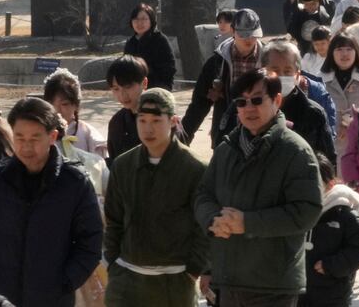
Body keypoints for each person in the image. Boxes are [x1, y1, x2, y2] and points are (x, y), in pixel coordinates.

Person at [194, 67, 323, 306]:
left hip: (274, 282)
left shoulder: (295, 150)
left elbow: (307, 210)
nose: (249, 108)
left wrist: (248, 223)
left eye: (256, 100)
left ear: (277, 100)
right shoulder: (226, 150)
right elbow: (203, 195)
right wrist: (212, 220)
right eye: (241, 102)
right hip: (230, 278)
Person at [0, 97, 102, 307]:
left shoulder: (74, 184)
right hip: (2, 298)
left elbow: (90, 243)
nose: (26, 147)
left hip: (53, 298)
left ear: (52, 136)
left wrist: (65, 282)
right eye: (20, 138)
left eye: (34, 139)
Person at [102, 88, 208, 307]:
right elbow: (113, 219)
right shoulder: (123, 166)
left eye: (156, 120)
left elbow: (204, 226)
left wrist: (193, 270)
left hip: (175, 282)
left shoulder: (195, 169)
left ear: (173, 121)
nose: (148, 129)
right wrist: (113, 264)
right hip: (126, 279)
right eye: (142, 120)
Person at [181, 8, 267, 146]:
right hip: (225, 134)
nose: (249, 39)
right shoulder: (217, 62)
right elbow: (199, 104)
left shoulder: (269, 60)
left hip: (262, 134)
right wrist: (182, 138)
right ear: (232, 31)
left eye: (253, 35)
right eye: (243, 35)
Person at [303, 151, 359, 307]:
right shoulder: (297, 211)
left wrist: (332, 266)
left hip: (333, 293)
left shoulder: (344, 214)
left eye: (315, 183)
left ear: (330, 183)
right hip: (299, 291)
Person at [260, 40, 336, 163]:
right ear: (262, 71)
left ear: (297, 75)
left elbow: (328, 160)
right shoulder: (247, 107)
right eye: (275, 70)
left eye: (287, 71)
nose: (281, 76)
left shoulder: (314, 114)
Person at [322, 34, 359, 190]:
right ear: (331, 53)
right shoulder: (321, 80)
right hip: (331, 143)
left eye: (349, 49)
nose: (344, 54)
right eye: (339, 49)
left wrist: (350, 121)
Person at [42, 70, 106, 159]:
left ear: (76, 105)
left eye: (64, 104)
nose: (56, 110)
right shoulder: (40, 133)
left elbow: (99, 168)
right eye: (51, 104)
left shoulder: (88, 134)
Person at [104, 54, 149, 164]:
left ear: (144, 83)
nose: (122, 95)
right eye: (116, 89)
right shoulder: (116, 123)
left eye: (128, 86)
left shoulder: (162, 117)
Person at [122, 3, 176, 92]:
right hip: (134, 90)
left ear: (151, 20)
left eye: (144, 19)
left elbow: (169, 67)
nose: (140, 23)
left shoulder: (160, 40)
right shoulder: (131, 43)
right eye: (136, 19)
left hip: (158, 88)